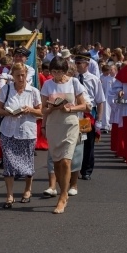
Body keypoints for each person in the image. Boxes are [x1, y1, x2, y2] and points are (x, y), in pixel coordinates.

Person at [40, 56, 90, 213]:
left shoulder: (74, 82)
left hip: (70, 124)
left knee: (66, 161)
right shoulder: (48, 84)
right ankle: (63, 190)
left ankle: (62, 196)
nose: (56, 75)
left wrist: (69, 109)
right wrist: (48, 113)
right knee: (57, 162)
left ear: (65, 70)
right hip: (53, 125)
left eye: (59, 72)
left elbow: (85, 106)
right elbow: (42, 109)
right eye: (53, 71)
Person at [0, 63, 42, 208]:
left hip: (27, 132)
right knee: (8, 163)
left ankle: (28, 190)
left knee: (28, 162)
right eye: (17, 75)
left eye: (23, 75)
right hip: (8, 131)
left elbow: (41, 112)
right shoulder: (6, 89)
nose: (21, 78)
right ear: (12, 76)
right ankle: (9, 195)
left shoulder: (33, 91)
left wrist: (30, 110)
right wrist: (8, 112)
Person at [74, 54, 105, 181]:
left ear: (87, 64)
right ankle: (74, 169)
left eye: (79, 63)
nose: (77, 66)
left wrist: (99, 118)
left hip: (88, 114)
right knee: (75, 142)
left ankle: (86, 170)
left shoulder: (94, 79)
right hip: (75, 113)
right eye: (76, 63)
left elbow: (100, 100)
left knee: (88, 143)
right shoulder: (72, 79)